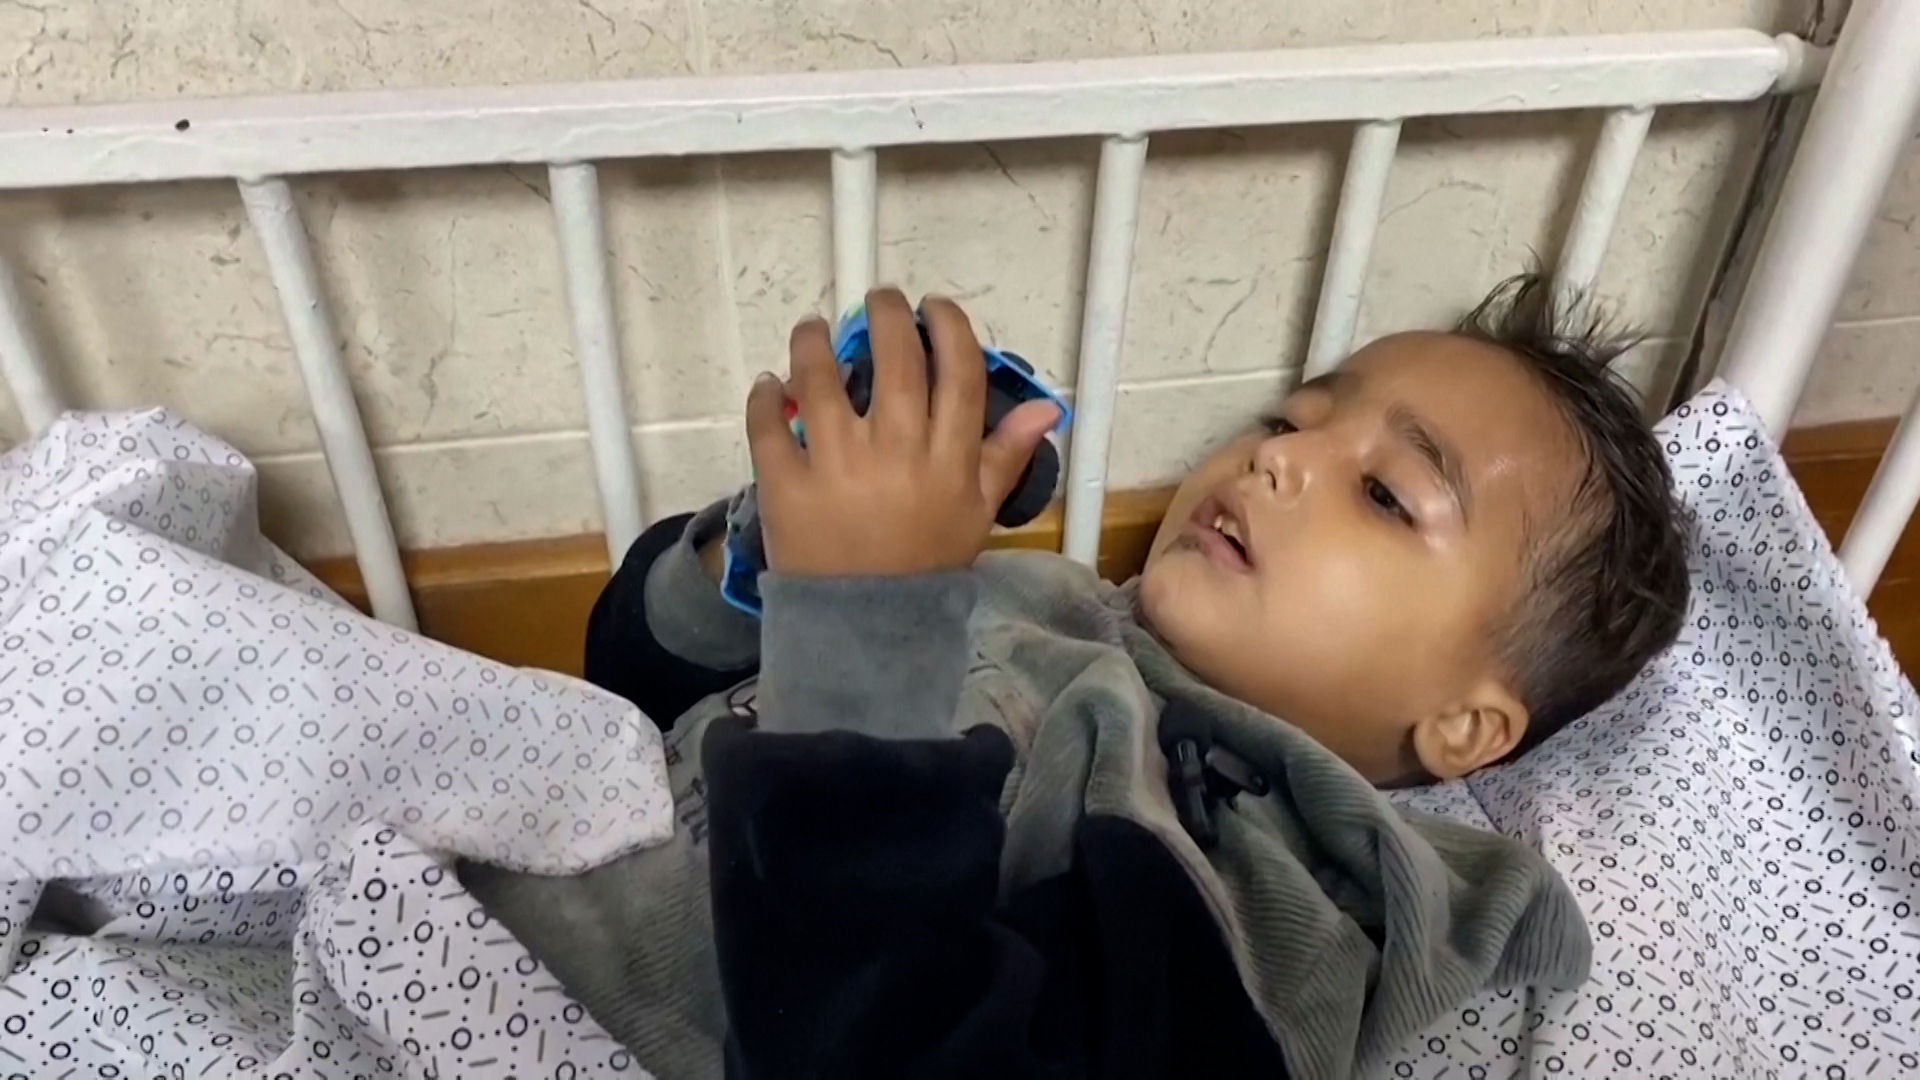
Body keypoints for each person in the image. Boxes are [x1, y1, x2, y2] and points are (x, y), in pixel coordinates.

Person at [459, 276, 1690, 1080]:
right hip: (475, 911)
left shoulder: (1259, 888)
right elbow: (631, 691)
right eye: (1287, 420)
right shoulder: (1027, 596)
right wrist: (764, 561)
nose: (1280, 461)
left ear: (1464, 726)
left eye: (1385, 493)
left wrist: (863, 638)